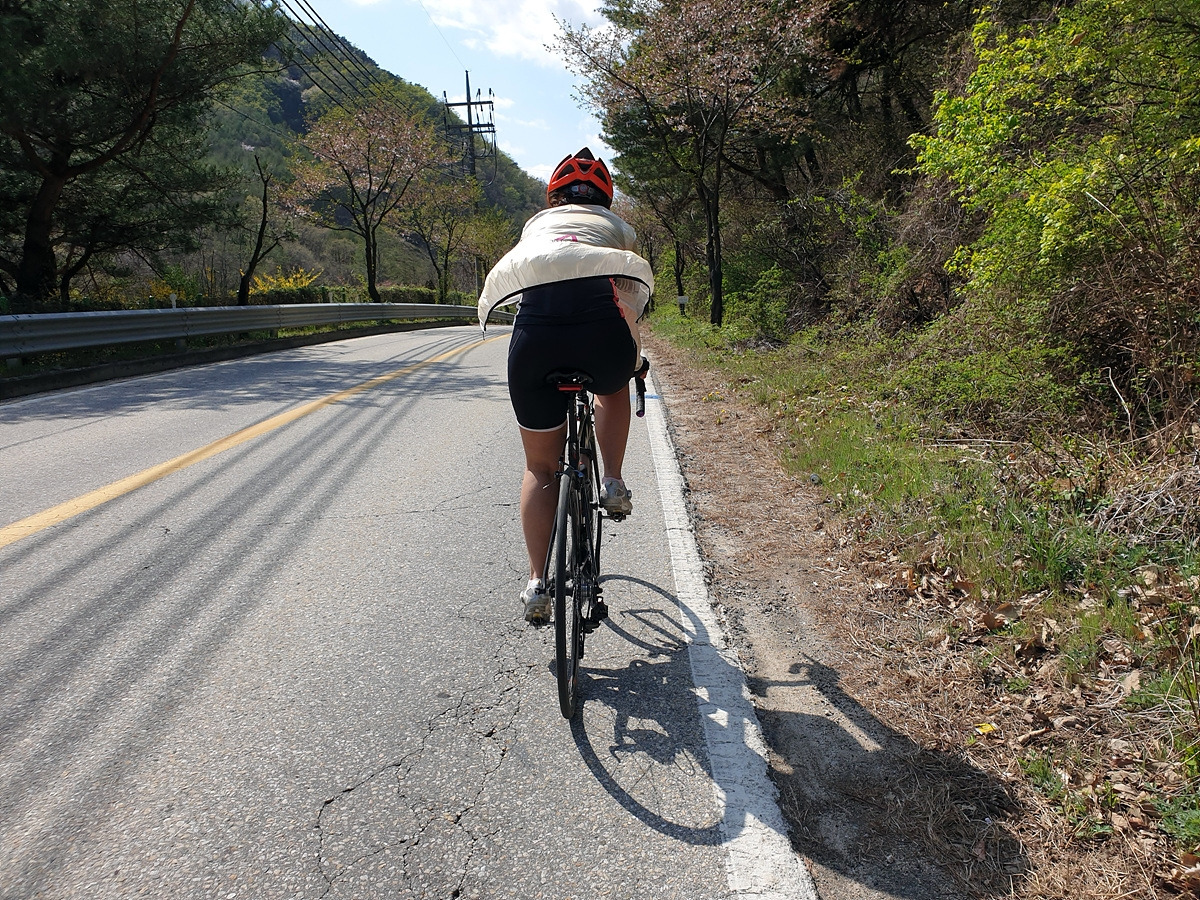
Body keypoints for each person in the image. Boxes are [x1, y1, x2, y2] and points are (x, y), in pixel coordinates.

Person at [478, 148, 654, 626]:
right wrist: (634, 361)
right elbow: (628, 303)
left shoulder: (535, 226)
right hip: (601, 336)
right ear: (605, 198)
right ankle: (612, 481)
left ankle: (537, 582)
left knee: (540, 467)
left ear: (553, 198)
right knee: (613, 388)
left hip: (535, 342)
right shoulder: (617, 228)